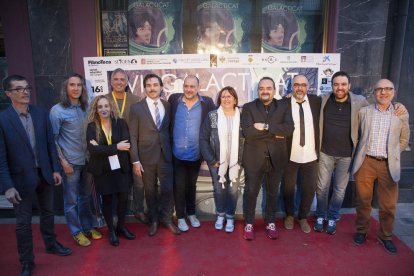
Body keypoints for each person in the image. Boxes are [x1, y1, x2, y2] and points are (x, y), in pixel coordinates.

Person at [314, 71, 407, 235]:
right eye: (336, 84)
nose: (340, 87)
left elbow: (384, 108)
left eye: (343, 84)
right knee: (322, 187)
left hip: (347, 155)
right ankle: (321, 216)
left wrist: (399, 105)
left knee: (339, 190)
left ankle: (333, 217)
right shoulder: (323, 100)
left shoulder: (360, 102)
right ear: (332, 86)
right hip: (325, 152)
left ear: (349, 86)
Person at [0, 75, 72, 276]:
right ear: (8, 94)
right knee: (23, 223)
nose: (25, 92)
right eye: (19, 89)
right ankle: (26, 261)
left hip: (45, 174)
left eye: (27, 87)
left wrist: (55, 169)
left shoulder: (41, 113)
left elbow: (50, 144)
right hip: (20, 180)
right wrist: (7, 186)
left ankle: (51, 244)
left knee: (48, 213)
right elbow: (1, 157)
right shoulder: (3, 120)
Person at [352, 79, 410, 255]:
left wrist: (393, 153)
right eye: (379, 89)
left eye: (387, 89)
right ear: (374, 92)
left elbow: (404, 139)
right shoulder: (365, 112)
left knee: (388, 205)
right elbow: (356, 134)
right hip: (366, 162)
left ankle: (385, 236)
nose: (383, 92)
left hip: (388, 165)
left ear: (393, 91)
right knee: (363, 201)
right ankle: (361, 231)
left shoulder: (400, 113)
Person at [49, 73, 102, 247]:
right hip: (70, 163)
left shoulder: (86, 107)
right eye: (72, 85)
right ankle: (75, 231)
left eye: (79, 85)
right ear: (66, 87)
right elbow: (53, 140)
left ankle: (87, 227)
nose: (76, 88)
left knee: (85, 197)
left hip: (88, 161)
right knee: (71, 200)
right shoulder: (57, 111)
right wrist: (63, 162)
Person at [241, 77, 294, 240]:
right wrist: (275, 134)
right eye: (261, 88)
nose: (265, 91)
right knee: (250, 192)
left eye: (268, 88)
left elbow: (289, 129)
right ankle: (249, 223)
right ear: (258, 91)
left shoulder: (284, 106)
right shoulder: (249, 107)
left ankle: (271, 222)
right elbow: (248, 132)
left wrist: (265, 127)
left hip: (277, 158)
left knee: (273, 193)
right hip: (254, 157)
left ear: (274, 90)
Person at [129, 73, 180, 236]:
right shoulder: (136, 108)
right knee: (149, 191)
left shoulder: (167, 106)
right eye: (149, 85)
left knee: (167, 189)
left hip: (165, 155)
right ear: (145, 88)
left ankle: (166, 218)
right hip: (145, 157)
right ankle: (154, 221)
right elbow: (133, 136)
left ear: (161, 87)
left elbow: (170, 131)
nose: (152, 88)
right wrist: (135, 160)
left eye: (155, 85)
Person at [86, 95, 135, 246]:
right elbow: (93, 150)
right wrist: (115, 146)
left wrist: (103, 148)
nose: (103, 109)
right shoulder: (92, 127)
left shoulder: (120, 123)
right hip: (102, 171)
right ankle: (111, 231)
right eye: (100, 107)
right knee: (107, 201)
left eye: (106, 106)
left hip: (120, 168)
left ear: (111, 107)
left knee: (123, 199)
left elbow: (125, 145)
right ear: (96, 109)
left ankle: (120, 227)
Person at [169, 75, 216, 232]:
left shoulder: (207, 103)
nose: (189, 89)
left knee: (191, 186)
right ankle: (181, 217)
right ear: (183, 86)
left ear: (198, 88)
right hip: (177, 154)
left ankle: (191, 214)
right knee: (179, 186)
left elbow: (214, 122)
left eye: (192, 86)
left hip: (196, 154)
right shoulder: (174, 100)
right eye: (186, 86)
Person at [200, 86, 243, 233]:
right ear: (219, 99)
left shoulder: (242, 115)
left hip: (236, 162)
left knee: (233, 190)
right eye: (223, 96)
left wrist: (242, 160)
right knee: (219, 190)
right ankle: (220, 215)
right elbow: (203, 139)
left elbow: (247, 139)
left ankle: (230, 216)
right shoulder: (213, 116)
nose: (226, 99)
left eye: (229, 96)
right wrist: (212, 160)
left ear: (235, 100)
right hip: (217, 162)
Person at [281, 75, 321, 233]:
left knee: (309, 188)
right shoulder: (283, 103)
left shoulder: (316, 102)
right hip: (290, 154)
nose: (299, 88)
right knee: (288, 188)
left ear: (308, 87)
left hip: (311, 154)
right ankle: (289, 215)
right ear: (292, 86)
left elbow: (340, 98)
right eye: (296, 84)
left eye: (303, 85)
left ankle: (303, 216)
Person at [109, 68, 148, 224]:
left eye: (122, 79)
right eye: (116, 79)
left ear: (127, 82)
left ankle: (139, 210)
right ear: (111, 82)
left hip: (134, 148)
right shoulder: (104, 99)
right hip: (114, 150)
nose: (119, 82)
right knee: (116, 182)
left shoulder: (136, 99)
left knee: (139, 182)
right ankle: (117, 214)